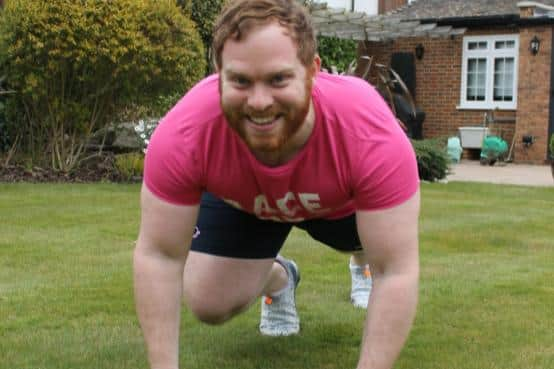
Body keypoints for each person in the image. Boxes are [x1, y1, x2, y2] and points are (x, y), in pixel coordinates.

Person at [133, 0, 420, 368]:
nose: (259, 102)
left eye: (278, 79)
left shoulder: (368, 133)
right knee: (208, 302)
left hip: (342, 207)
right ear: (218, 73)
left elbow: (395, 271)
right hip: (251, 204)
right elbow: (159, 256)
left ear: (313, 71)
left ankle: (359, 259)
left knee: (378, 249)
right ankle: (281, 279)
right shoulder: (185, 133)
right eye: (240, 81)